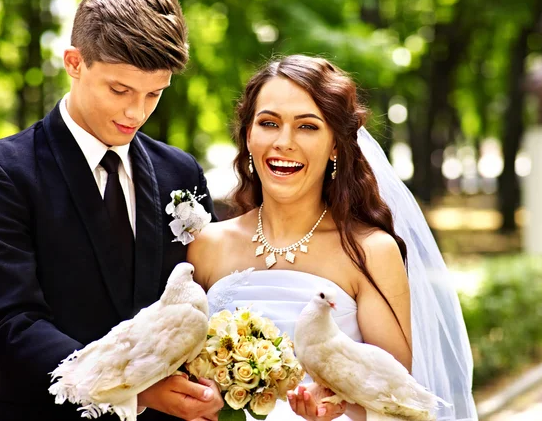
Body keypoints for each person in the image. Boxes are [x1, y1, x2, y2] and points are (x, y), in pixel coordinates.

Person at [0, 0, 223, 421]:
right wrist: (133, 388)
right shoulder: (0, 172)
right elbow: (8, 325)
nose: (135, 112)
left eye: (154, 94)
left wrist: (214, 380)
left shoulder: (181, 171)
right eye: (120, 90)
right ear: (75, 63)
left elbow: (205, 299)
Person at [188, 55, 478, 420]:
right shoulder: (206, 245)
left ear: (337, 145)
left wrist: (335, 408)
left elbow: (401, 401)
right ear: (248, 135)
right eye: (268, 123)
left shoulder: (370, 252)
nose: (284, 142)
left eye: (307, 127)